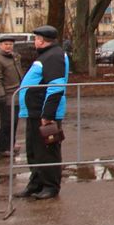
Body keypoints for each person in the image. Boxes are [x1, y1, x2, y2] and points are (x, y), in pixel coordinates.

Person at [15, 25, 68, 200]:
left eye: (36, 38)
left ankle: (51, 186)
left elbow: (56, 86)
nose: (35, 41)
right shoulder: (46, 55)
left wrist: (48, 115)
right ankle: (36, 183)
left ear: (42, 40)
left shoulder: (54, 56)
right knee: (34, 150)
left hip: (43, 112)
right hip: (34, 110)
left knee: (47, 150)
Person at [0, 36, 24, 156]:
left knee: (13, 122)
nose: (8, 46)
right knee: (7, 123)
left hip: (17, 93)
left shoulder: (15, 57)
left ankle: (9, 144)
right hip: (6, 95)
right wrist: (1, 95)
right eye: (6, 44)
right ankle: (2, 148)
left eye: (10, 44)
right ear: (0, 45)